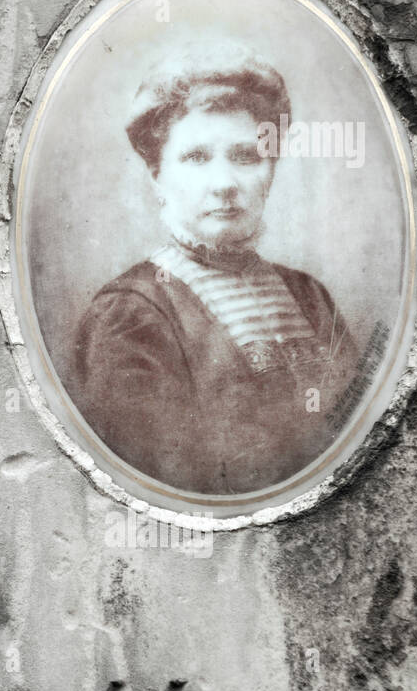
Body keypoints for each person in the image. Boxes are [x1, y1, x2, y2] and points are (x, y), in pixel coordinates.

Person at [69, 45, 359, 495]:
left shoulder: (308, 296)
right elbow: (166, 484)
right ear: (157, 174)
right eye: (196, 157)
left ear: (271, 169)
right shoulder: (131, 312)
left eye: (246, 156)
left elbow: (356, 439)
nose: (224, 184)